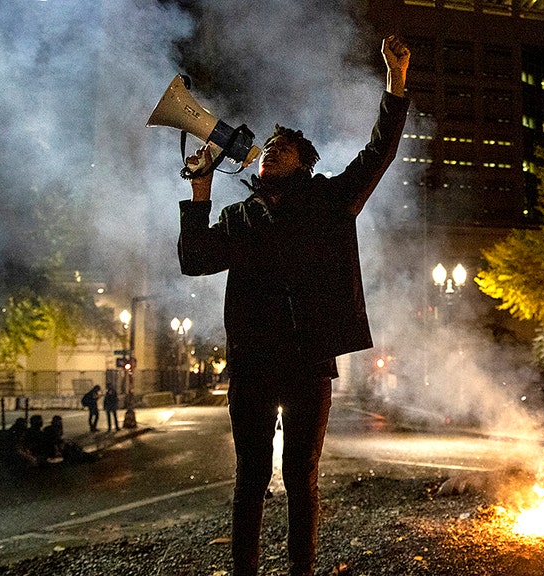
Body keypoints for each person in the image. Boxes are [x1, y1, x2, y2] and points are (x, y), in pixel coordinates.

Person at [176, 35, 409, 576]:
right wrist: (201, 191)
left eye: (284, 146)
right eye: (270, 146)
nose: (271, 150)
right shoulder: (238, 217)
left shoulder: (330, 200)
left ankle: (301, 569)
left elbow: (379, 152)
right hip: (253, 364)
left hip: (308, 363)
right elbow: (194, 259)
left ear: (304, 164)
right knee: (251, 479)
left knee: (301, 476)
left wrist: (396, 84)